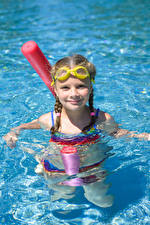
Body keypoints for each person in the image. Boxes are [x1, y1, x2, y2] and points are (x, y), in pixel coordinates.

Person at [3, 54, 150, 207]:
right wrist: (15, 130)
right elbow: (32, 124)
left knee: (103, 202)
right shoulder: (50, 120)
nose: (74, 94)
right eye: (65, 87)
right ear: (55, 90)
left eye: (80, 86)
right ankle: (42, 160)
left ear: (91, 88)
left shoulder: (101, 119)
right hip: (56, 169)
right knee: (63, 198)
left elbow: (117, 134)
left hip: (91, 169)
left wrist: (142, 136)